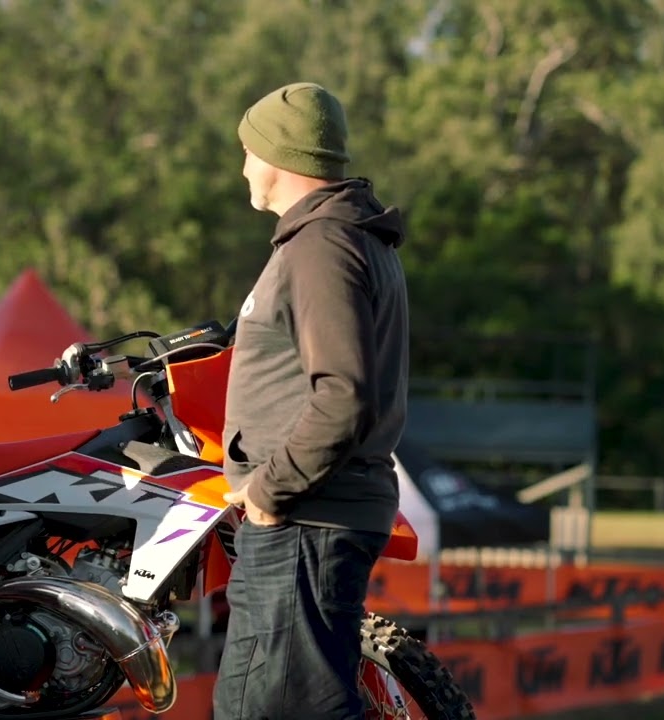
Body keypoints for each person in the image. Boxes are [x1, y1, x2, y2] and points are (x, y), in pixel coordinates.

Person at [215, 83, 409, 719]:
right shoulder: (342, 237)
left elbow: (344, 394)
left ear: (278, 154)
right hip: (315, 517)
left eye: (248, 151)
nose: (243, 167)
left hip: (306, 519)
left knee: (268, 708)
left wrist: (271, 491)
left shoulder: (321, 245)